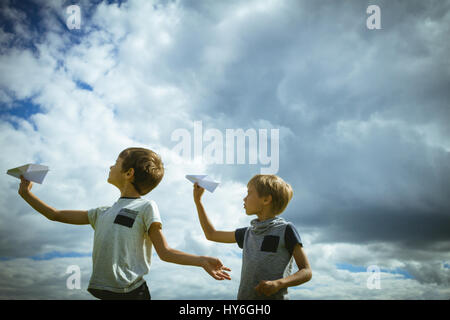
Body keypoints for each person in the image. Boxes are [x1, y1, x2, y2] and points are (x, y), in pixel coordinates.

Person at [18, 147, 231, 300]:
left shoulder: (146, 207)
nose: (110, 166)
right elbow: (55, 214)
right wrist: (26, 194)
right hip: (103, 293)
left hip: (132, 294)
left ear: (129, 173)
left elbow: (165, 252)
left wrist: (201, 260)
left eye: (116, 163)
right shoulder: (101, 213)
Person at [193, 174, 311, 300]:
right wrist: (198, 201)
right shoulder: (247, 233)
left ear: (266, 200)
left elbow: (306, 271)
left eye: (249, 193)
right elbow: (211, 234)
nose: (244, 198)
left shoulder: (286, 230)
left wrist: (278, 283)